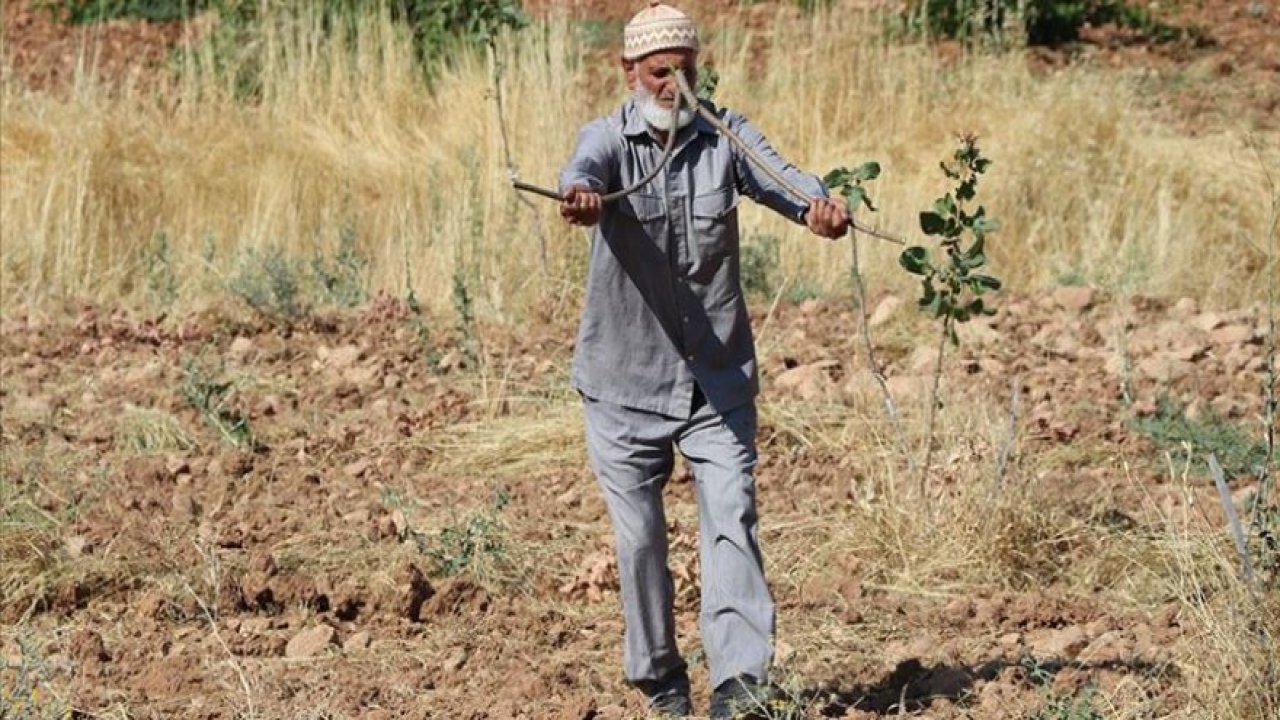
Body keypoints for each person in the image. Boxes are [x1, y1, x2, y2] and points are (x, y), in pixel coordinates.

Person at [557, 2, 850, 718]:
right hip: (623, 387)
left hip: (714, 381)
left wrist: (820, 207)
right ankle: (661, 681)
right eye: (659, 73)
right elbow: (580, 171)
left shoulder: (726, 135)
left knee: (732, 517)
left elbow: (784, 178)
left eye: (685, 71)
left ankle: (739, 686)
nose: (674, 87)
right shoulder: (607, 141)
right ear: (629, 72)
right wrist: (581, 199)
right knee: (640, 542)